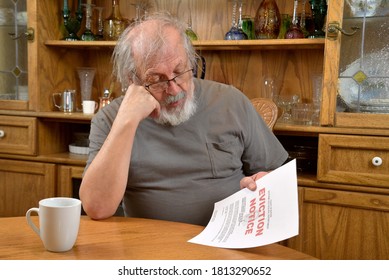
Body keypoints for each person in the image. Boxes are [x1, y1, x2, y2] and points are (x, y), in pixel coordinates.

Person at [79, 12, 288, 226]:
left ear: (191, 60)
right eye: (157, 80)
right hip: (147, 250)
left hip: (227, 244)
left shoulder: (231, 102)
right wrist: (126, 122)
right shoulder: (110, 119)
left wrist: (263, 184)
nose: (174, 89)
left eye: (180, 72)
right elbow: (96, 207)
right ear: (133, 80)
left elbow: (278, 178)